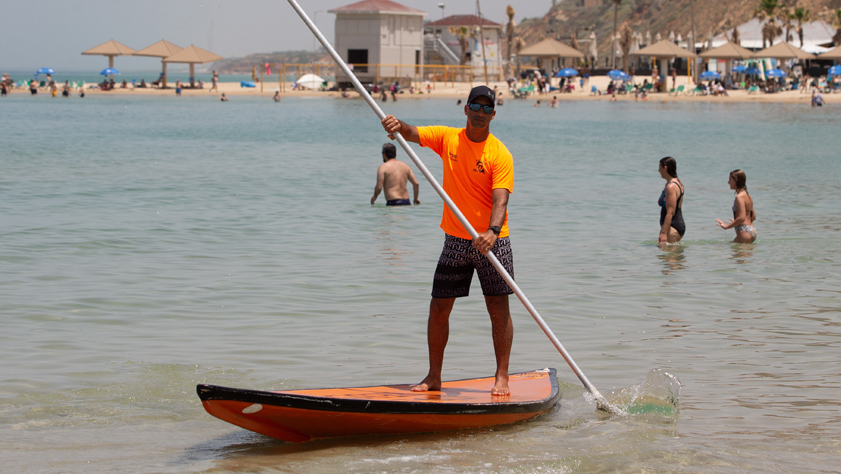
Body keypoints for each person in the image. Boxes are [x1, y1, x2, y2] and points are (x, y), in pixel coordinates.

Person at [380, 85, 516, 396]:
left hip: (492, 240)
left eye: (486, 109)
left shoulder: (500, 153)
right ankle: (434, 377)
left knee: (498, 309)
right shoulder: (448, 138)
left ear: (494, 114)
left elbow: (500, 201)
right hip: (455, 238)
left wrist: (492, 232)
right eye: (475, 107)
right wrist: (395, 124)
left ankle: (502, 377)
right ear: (465, 109)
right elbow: (412, 132)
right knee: (439, 308)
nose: (480, 113)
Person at [717, 169, 757, 243]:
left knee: (739, 253)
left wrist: (727, 227)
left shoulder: (739, 197)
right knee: (730, 247)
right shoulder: (747, 195)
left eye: (730, 179)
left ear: (736, 180)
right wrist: (736, 223)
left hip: (744, 232)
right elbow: (753, 217)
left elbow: (742, 218)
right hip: (751, 230)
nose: (728, 182)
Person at [657, 156, 685, 244]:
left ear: (665, 168)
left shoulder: (671, 187)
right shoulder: (677, 182)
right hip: (674, 226)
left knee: (669, 256)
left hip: (672, 227)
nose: (658, 170)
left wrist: (663, 232)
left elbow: (670, 212)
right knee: (670, 256)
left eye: (660, 168)